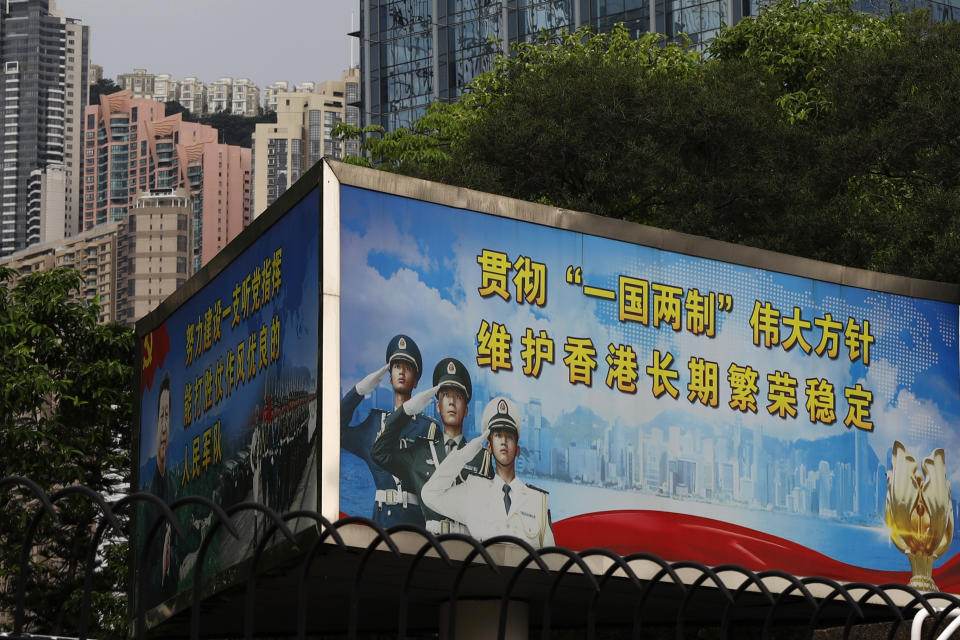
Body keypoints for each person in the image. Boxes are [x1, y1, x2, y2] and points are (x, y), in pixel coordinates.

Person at [371, 357, 491, 535]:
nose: (451, 402)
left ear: (466, 410)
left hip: (469, 545)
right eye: (446, 396)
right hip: (431, 547)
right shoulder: (420, 452)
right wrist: (406, 411)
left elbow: (490, 510)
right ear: (438, 406)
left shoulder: (481, 458)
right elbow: (379, 453)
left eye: (458, 397)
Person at [421, 396, 555, 548]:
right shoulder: (474, 490)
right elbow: (430, 495)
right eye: (498, 436)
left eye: (509, 436)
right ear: (489, 447)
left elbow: (550, 561)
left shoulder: (538, 501)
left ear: (518, 450)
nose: (504, 441)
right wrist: (463, 455)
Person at [341, 334, 435, 526]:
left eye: (408, 368)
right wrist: (358, 391)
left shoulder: (427, 428)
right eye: (397, 367)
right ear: (390, 377)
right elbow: (337, 433)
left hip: (416, 525)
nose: (401, 372)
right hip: (383, 522)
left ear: (416, 381)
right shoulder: (375, 423)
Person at [141, 373, 181, 605]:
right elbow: (143, 580)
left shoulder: (172, 485)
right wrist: (163, 567)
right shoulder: (147, 499)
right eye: (161, 416)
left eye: (168, 416)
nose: (165, 425)